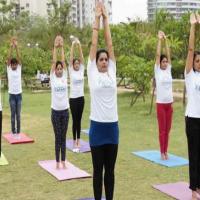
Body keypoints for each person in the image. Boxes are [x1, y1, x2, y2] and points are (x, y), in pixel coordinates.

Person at [87, 3, 119, 200]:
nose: (105, 61)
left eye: (106, 59)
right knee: (98, 171)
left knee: (111, 171)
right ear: (96, 62)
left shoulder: (112, 71)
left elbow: (109, 43)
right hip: (97, 128)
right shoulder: (92, 72)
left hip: (112, 128)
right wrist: (97, 20)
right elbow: (95, 44)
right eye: (101, 60)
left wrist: (107, 19)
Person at [185, 13, 200, 200]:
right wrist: (193, 27)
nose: (199, 63)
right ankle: (193, 189)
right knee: (194, 154)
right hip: (192, 119)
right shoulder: (190, 75)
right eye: (197, 60)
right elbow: (190, 49)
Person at [50, 35, 69, 169]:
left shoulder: (64, 76)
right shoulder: (53, 78)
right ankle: (57, 162)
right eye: (57, 69)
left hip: (65, 111)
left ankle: (64, 161)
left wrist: (62, 47)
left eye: (60, 68)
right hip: (55, 112)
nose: (59, 70)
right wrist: (55, 47)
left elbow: (62, 60)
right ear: (55, 70)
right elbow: (55, 61)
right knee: (58, 136)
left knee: (64, 136)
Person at [154, 30, 173, 160]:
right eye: (163, 61)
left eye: (166, 61)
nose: (165, 63)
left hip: (169, 104)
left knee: (168, 130)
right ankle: (162, 152)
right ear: (160, 63)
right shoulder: (158, 71)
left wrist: (166, 40)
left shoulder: (169, 70)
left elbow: (169, 54)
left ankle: (166, 151)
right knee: (162, 130)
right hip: (161, 104)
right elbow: (157, 54)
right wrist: (160, 40)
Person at [69, 39, 85, 152]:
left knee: (79, 120)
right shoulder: (71, 71)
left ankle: (79, 140)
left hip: (81, 98)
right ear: (73, 65)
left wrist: (79, 45)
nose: (77, 65)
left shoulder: (81, 70)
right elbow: (70, 59)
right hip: (73, 99)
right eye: (75, 64)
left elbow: (82, 57)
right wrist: (73, 45)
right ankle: (74, 140)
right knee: (74, 120)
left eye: (78, 63)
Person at [7, 37, 22, 138]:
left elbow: (19, 58)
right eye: (12, 64)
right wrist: (11, 47)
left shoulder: (19, 69)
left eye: (15, 64)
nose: (14, 65)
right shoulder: (9, 69)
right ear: (11, 65)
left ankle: (18, 132)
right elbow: (8, 59)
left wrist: (16, 47)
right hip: (12, 95)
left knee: (18, 115)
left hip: (19, 95)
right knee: (13, 115)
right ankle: (13, 131)